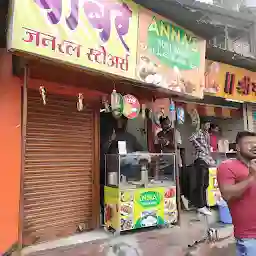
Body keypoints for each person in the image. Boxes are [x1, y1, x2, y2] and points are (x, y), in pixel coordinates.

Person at [217, 131, 256, 256]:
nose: (254, 146)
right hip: (250, 237)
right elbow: (227, 195)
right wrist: (251, 176)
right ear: (238, 147)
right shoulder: (227, 166)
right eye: (249, 143)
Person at [189, 120, 215, 215]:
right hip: (200, 159)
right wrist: (200, 147)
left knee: (205, 184)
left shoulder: (207, 134)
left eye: (209, 124)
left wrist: (210, 157)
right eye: (206, 124)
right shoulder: (198, 132)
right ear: (202, 124)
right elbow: (191, 138)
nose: (208, 126)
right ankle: (201, 206)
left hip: (206, 160)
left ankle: (202, 205)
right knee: (201, 184)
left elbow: (207, 147)